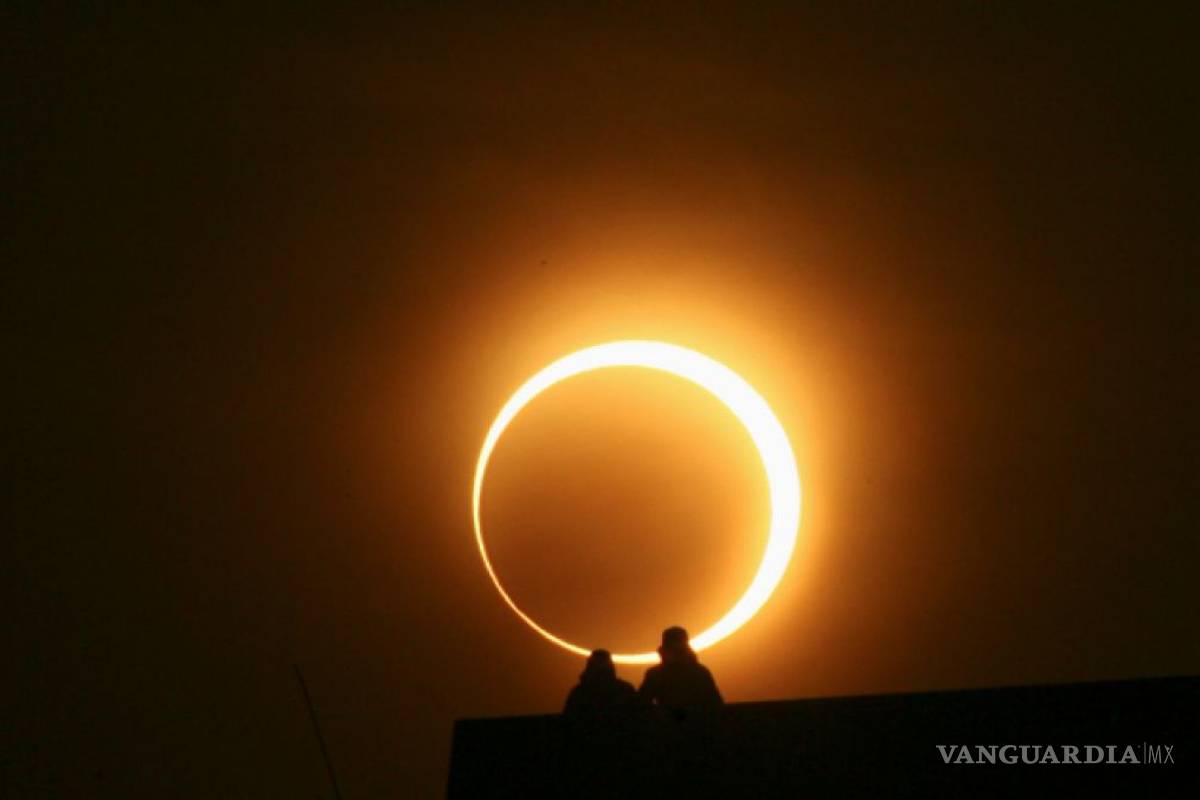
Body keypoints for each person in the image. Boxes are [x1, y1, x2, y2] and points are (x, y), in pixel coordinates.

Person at [638, 626, 723, 725]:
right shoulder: (700, 672)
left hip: (687, 727)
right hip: (689, 727)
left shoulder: (655, 674)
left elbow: (642, 704)